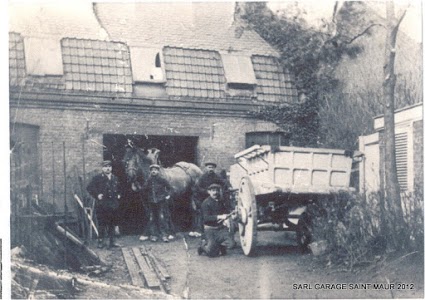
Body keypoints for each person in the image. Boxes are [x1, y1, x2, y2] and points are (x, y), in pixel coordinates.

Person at [87, 160, 122, 249]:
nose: (108, 168)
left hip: (113, 204)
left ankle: (112, 242)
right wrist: (97, 195)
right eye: (106, 167)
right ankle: (101, 242)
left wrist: (119, 194)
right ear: (102, 168)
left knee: (112, 223)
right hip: (103, 204)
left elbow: (120, 188)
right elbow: (89, 187)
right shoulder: (98, 178)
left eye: (109, 166)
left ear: (111, 168)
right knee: (102, 223)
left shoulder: (115, 178)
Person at [198, 183, 236, 257]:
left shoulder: (220, 201)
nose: (215, 192)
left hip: (220, 229)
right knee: (211, 254)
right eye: (213, 190)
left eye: (217, 190)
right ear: (209, 192)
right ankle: (202, 247)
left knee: (232, 244)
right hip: (210, 230)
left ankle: (217, 245)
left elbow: (226, 211)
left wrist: (232, 214)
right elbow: (206, 219)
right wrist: (219, 217)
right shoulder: (206, 203)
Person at [190, 162, 225, 237]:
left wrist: (228, 187)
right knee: (203, 214)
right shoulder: (202, 177)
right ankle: (201, 230)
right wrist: (206, 191)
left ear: (214, 168)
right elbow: (198, 188)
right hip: (203, 198)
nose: (211, 169)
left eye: (212, 167)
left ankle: (216, 228)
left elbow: (224, 183)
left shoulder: (217, 176)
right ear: (206, 168)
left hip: (215, 197)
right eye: (209, 167)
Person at [141, 164, 173, 242]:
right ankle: (154, 235)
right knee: (152, 218)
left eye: (155, 170)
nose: (154, 171)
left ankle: (164, 235)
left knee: (162, 217)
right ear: (150, 171)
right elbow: (144, 190)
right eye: (152, 170)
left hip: (161, 202)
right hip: (151, 202)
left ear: (158, 171)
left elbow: (170, 188)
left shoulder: (162, 180)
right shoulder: (148, 180)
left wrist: (168, 195)